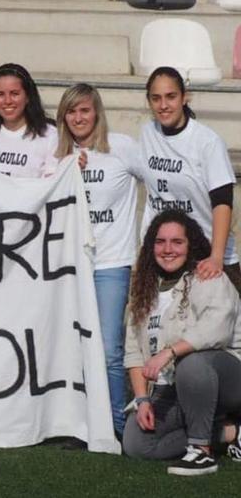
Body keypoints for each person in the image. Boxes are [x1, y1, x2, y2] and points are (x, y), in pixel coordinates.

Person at [122, 210, 241, 476]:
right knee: (136, 443)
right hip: (176, 388)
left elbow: (217, 330)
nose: (167, 249)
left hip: (227, 378)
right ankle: (231, 431)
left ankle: (201, 451)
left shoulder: (207, 276)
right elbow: (133, 353)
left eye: (177, 242)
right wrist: (142, 400)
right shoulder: (145, 291)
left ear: (191, 245)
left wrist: (169, 352)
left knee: (192, 362)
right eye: (160, 241)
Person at [55, 83, 142, 437]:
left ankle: (116, 428)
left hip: (110, 263)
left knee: (108, 349)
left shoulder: (122, 147)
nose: (78, 118)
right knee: (72, 348)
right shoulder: (58, 157)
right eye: (71, 111)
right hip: (70, 265)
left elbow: (158, 184)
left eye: (84, 110)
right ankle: (80, 425)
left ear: (97, 113)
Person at [139, 67, 237, 290]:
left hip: (206, 255)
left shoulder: (207, 142)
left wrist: (216, 257)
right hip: (165, 255)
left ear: (185, 97)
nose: (163, 105)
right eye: (156, 98)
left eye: (171, 96)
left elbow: (223, 202)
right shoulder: (147, 133)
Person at [0, 63, 57, 177]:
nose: (7, 101)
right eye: (0, 94)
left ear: (28, 96)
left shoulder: (50, 136)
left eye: (15, 93)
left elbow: (50, 187)